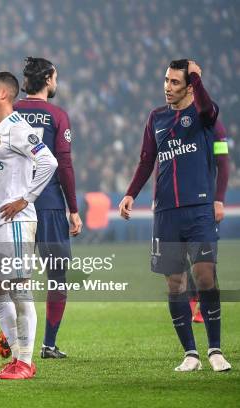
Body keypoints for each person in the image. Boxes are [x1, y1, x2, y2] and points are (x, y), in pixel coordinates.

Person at [119, 60, 231, 372]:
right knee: (175, 284)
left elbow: (208, 109)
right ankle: (191, 354)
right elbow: (146, 160)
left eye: (175, 83)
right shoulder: (156, 117)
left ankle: (216, 350)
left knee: (205, 276)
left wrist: (196, 76)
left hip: (198, 210)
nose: (168, 87)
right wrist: (131, 193)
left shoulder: (205, 116)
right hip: (166, 213)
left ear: (190, 85)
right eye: (166, 81)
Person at [0, 72, 58, 380]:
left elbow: (48, 162)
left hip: (15, 221)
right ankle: (16, 352)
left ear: (3, 95)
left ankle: (25, 360)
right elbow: (5, 171)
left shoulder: (19, 128)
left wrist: (26, 198)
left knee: (19, 289)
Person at [14, 57, 82, 358]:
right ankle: (48, 344)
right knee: (56, 276)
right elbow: (64, 163)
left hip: (15, 205)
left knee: (16, 277)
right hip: (50, 204)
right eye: (55, 77)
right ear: (49, 79)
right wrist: (74, 208)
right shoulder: (57, 115)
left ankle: (16, 343)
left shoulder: (11, 111)